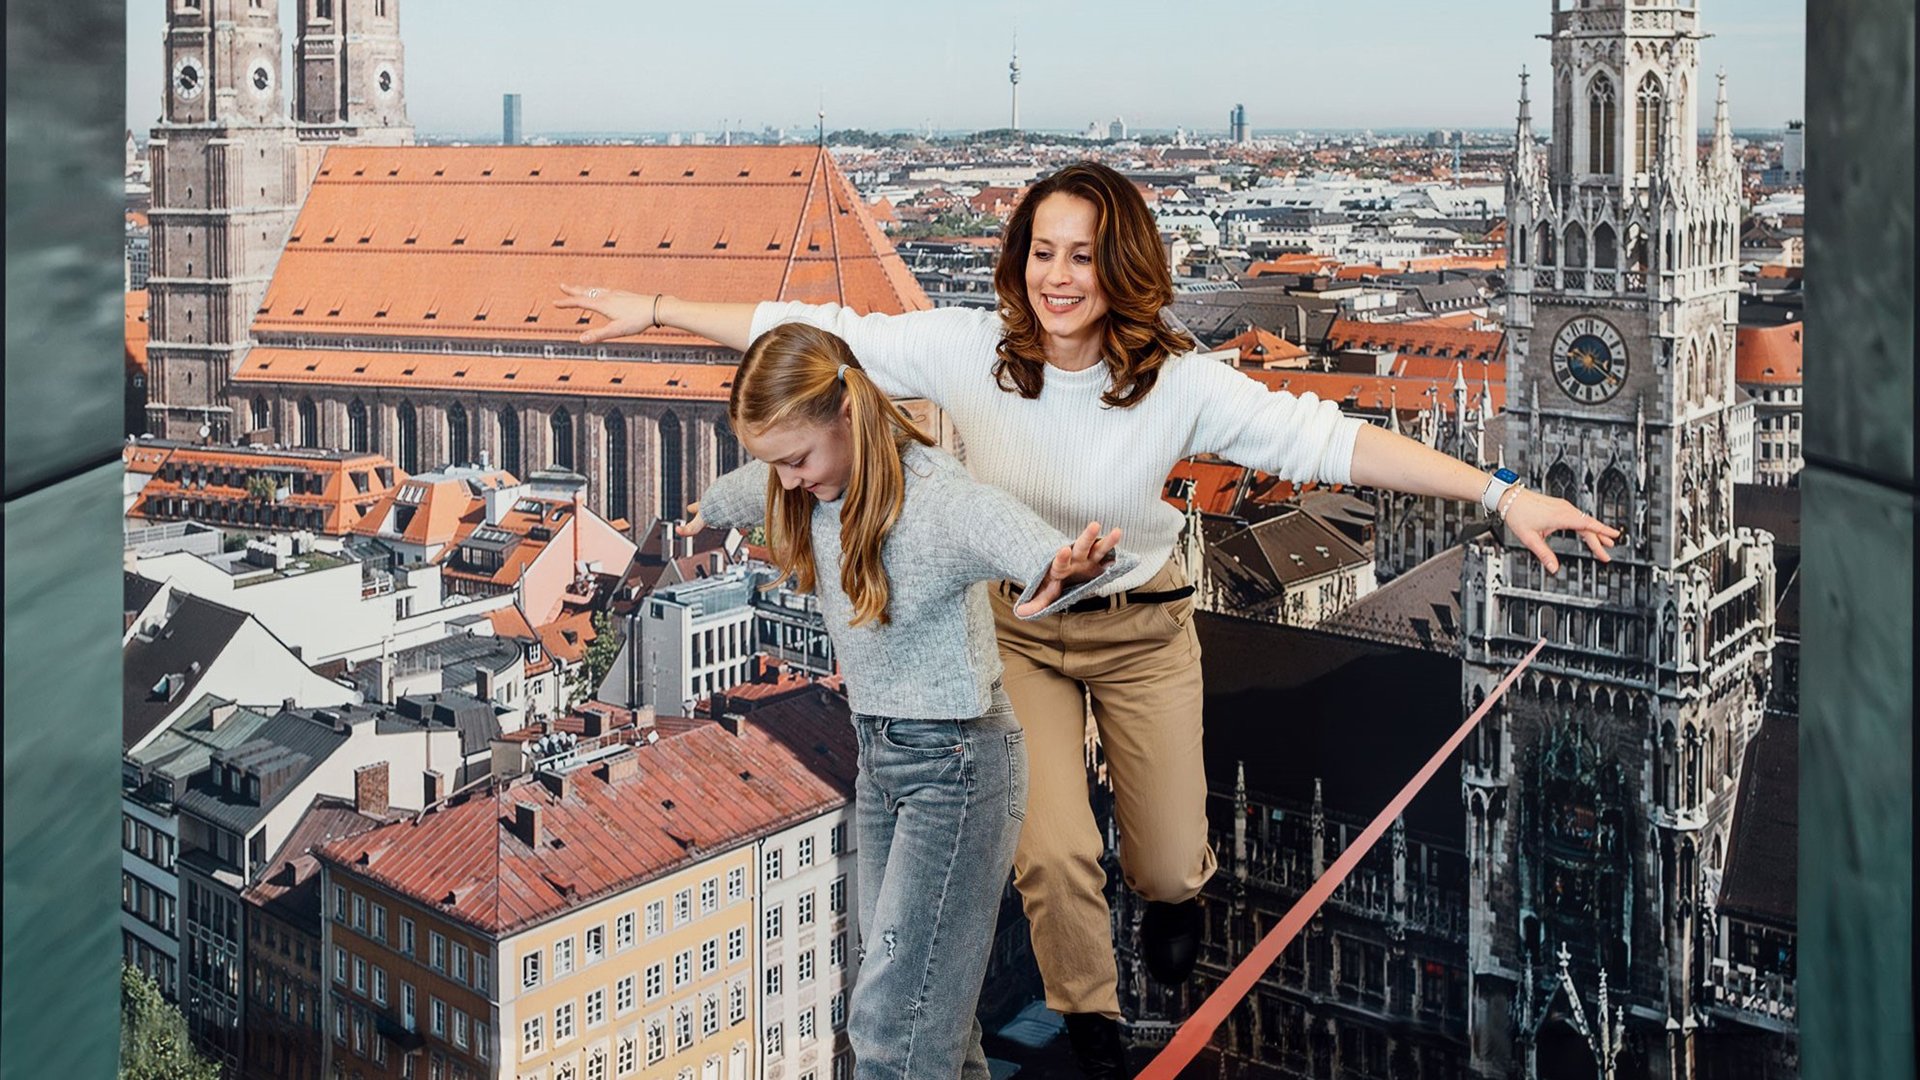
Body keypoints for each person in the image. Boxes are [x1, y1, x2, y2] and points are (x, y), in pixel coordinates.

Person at [557, 160, 1619, 1077]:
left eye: (1083, 254)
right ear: (1019, 259)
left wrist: (1500, 495)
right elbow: (822, 332)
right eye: (1042, 252)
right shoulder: (967, 351)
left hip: (1146, 629)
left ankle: (1174, 902)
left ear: (1123, 268)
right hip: (1022, 634)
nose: (1058, 277)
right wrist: (654, 309)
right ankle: (1094, 1019)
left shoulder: (1180, 383)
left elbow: (1328, 444)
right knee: (1055, 853)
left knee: (1163, 863)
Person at [680, 321, 1139, 1080]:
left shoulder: (934, 500)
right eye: (776, 464)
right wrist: (708, 505)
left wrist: (1062, 566)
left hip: (957, 769)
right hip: (883, 762)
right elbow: (751, 490)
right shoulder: (810, 486)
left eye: (797, 459)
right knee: (935, 1024)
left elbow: (1012, 534)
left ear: (849, 415)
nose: (789, 481)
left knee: (892, 1032)